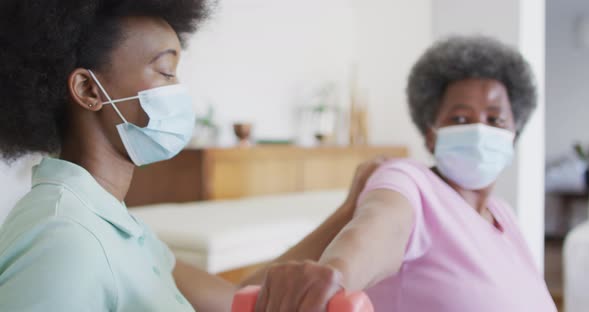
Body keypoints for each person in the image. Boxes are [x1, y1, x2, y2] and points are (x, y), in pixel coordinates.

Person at [0, 1, 383, 311]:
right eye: (165, 72)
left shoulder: (111, 220)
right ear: (88, 89)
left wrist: (348, 211)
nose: (179, 91)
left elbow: (235, 299)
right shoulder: (64, 238)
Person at [253, 36, 559, 311]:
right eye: (461, 117)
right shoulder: (408, 180)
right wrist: (335, 274)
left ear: (513, 134)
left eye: (495, 119)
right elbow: (380, 226)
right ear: (431, 135)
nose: (480, 129)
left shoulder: (502, 214)